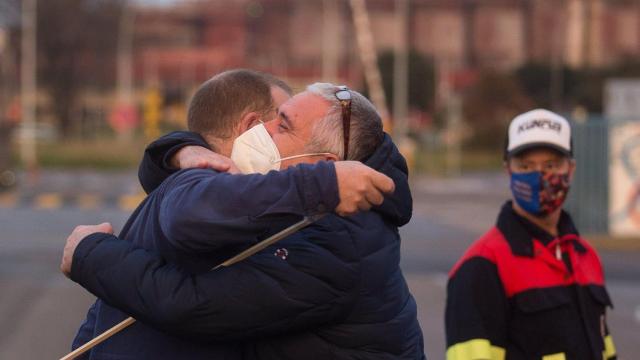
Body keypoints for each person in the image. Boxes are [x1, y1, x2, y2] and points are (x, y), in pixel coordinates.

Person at [63, 76, 425, 359]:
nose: (259, 131)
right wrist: (183, 151)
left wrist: (90, 253)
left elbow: (193, 306)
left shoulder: (342, 242)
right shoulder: (297, 202)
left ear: (326, 168)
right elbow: (173, 185)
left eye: (281, 126)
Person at [445, 109, 616, 360]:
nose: (540, 176)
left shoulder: (586, 256)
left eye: (551, 165)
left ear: (571, 170)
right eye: (526, 166)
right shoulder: (481, 267)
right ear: (508, 171)